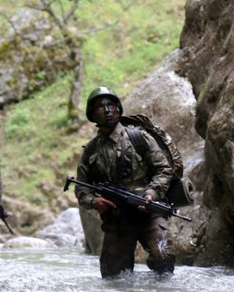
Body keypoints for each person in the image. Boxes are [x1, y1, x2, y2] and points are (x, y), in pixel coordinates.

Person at [74, 86, 176, 278]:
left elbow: (163, 170)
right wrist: (94, 202)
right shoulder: (91, 151)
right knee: (113, 279)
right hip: (117, 220)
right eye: (100, 106)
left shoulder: (139, 138)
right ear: (92, 114)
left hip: (148, 213)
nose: (107, 110)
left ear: (118, 109)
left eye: (111, 105)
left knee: (163, 259)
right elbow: (81, 187)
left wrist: (151, 194)